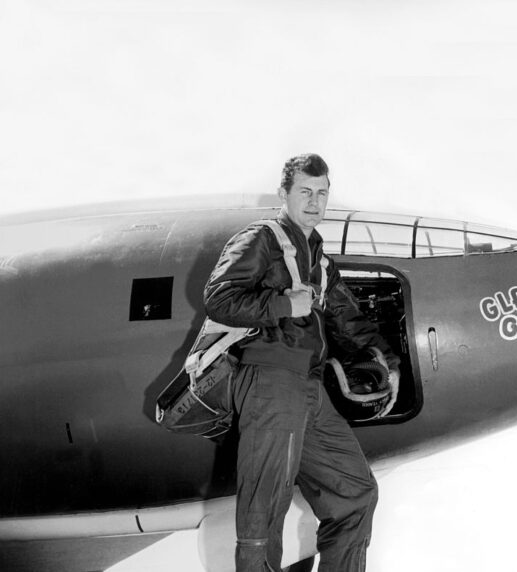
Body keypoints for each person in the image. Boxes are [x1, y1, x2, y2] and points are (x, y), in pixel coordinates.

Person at [203, 153, 400, 572]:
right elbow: (218, 299)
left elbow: (348, 320)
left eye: (322, 193)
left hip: (308, 388)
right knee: (265, 508)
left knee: (355, 493)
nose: (314, 202)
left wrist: (389, 362)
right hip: (269, 379)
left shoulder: (319, 259)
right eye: (305, 192)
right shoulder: (262, 238)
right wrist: (281, 304)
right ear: (284, 194)